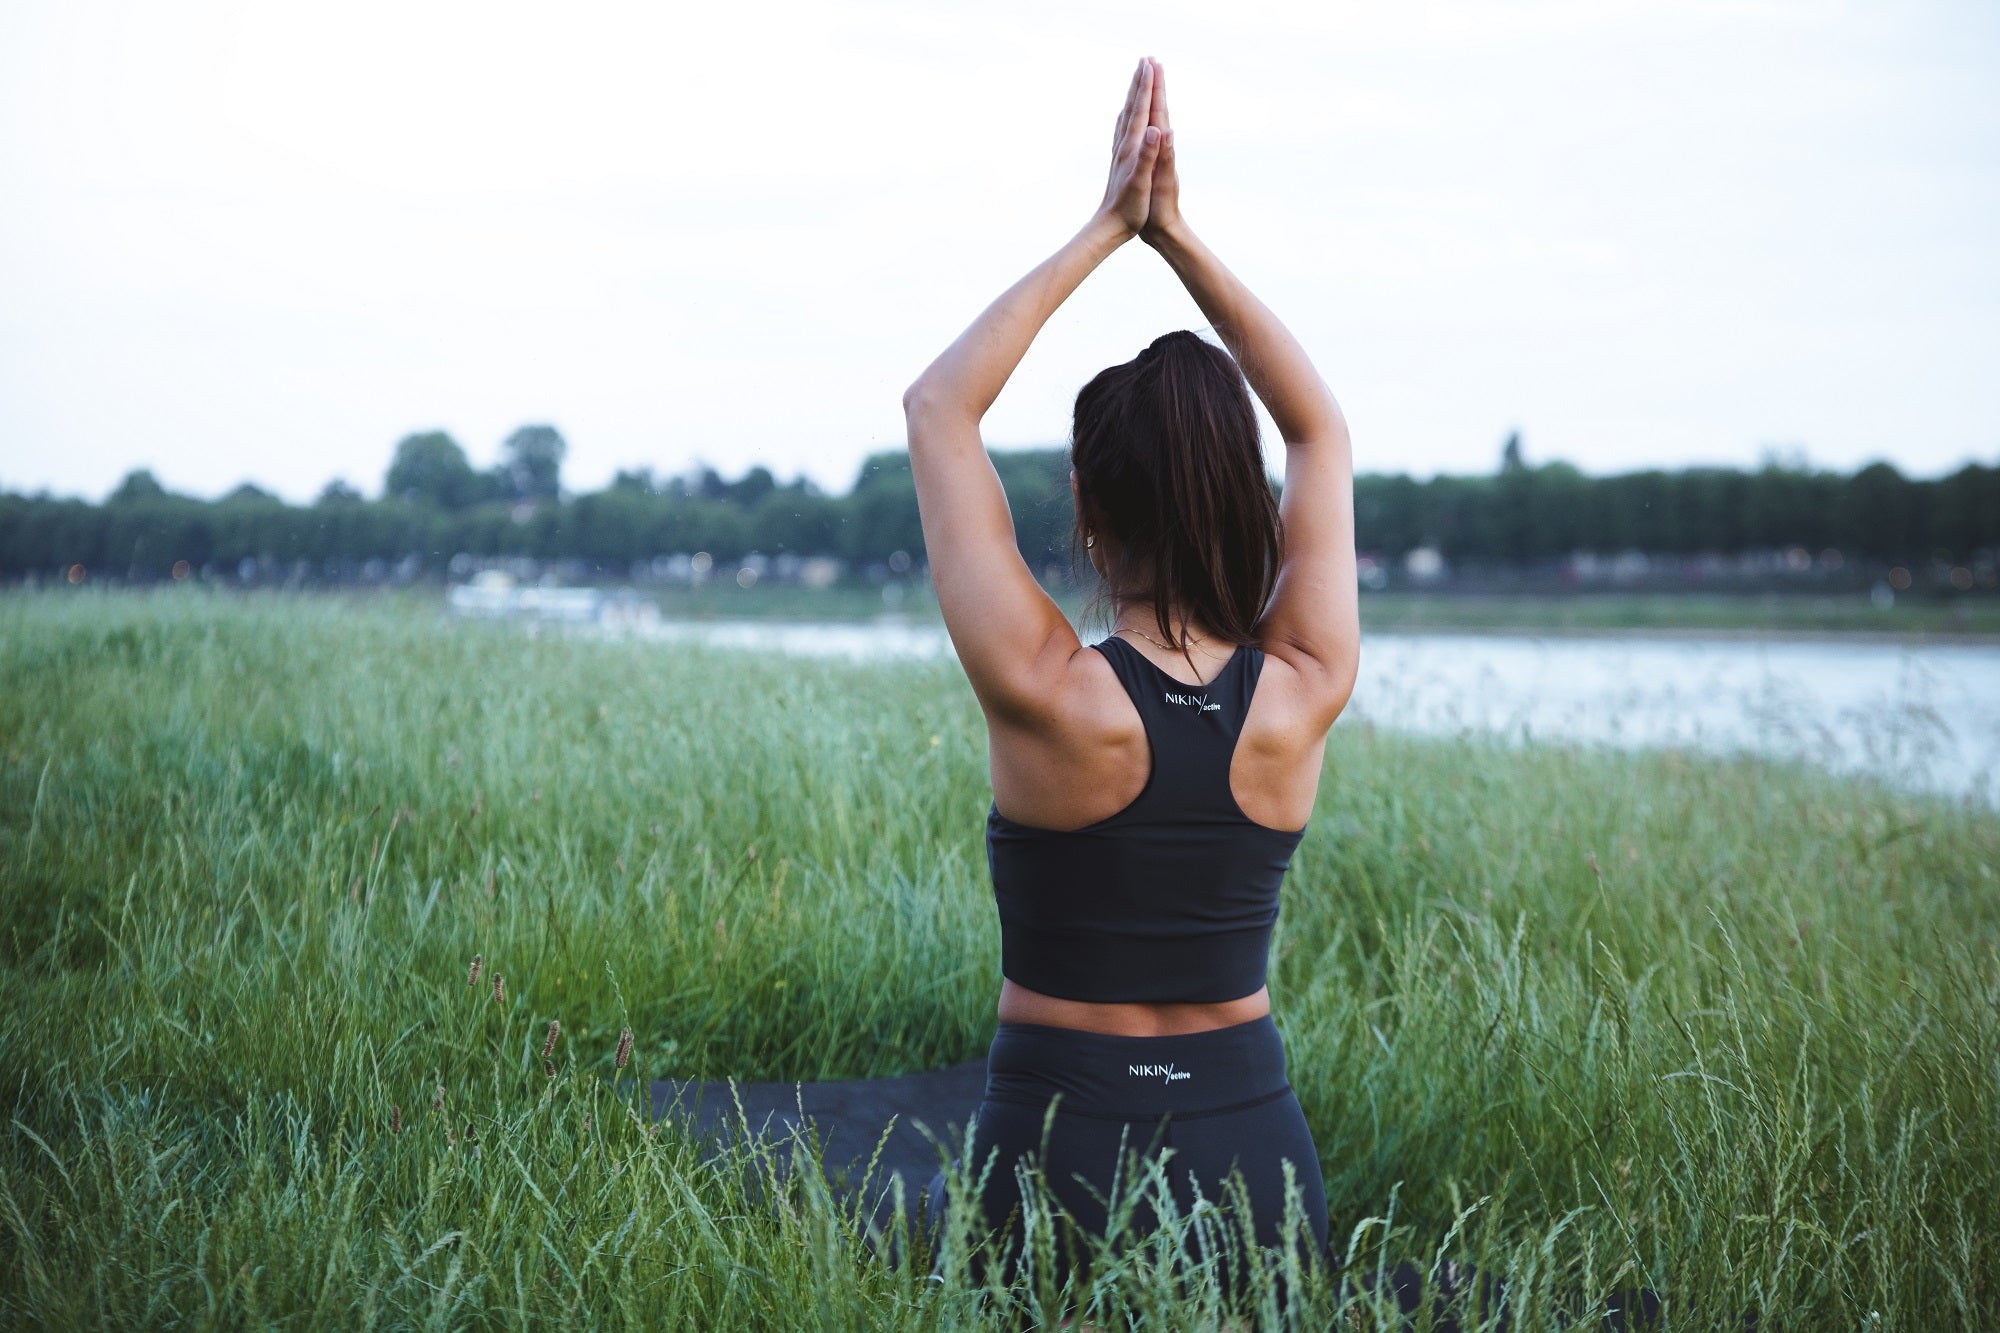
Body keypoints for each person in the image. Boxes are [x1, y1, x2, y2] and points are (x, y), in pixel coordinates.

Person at [903, 57, 1359, 1290]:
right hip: (1254, 1154)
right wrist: (1180, 240)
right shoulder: (1305, 683)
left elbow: (940, 404)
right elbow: (1316, 425)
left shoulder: (1047, 690)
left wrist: (1110, 226)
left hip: (1058, 1146)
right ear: (1249, 509)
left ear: (1091, 516)